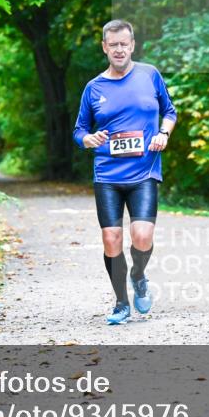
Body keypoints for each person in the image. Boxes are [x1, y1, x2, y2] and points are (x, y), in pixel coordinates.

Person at [73, 19, 177, 325]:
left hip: (144, 171)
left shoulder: (150, 75)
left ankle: (139, 275)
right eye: (113, 45)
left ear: (132, 45)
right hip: (107, 173)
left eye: (124, 44)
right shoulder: (94, 88)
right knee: (111, 239)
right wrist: (88, 139)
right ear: (105, 48)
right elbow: (79, 130)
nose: (119, 49)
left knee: (142, 236)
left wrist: (163, 134)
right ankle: (121, 302)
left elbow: (170, 112)